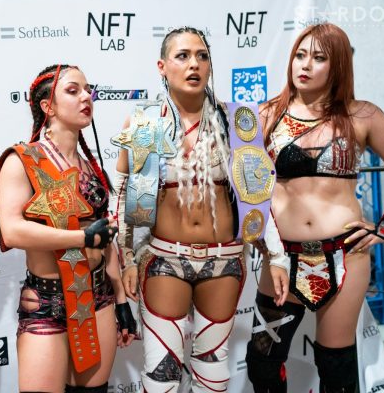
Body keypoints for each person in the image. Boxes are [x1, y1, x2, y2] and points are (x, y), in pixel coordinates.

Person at [245, 23, 384, 393]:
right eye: (300, 55)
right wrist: (256, 231)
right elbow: (246, 185)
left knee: (336, 367)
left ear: (337, 66)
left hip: (344, 257)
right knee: (263, 361)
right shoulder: (266, 114)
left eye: (319, 58)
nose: (305, 65)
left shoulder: (362, 115)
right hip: (281, 259)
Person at [115, 26, 278, 392]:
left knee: (213, 373)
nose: (194, 64)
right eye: (183, 56)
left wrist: (277, 257)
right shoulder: (144, 121)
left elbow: (260, 196)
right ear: (162, 66)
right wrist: (127, 259)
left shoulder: (237, 120)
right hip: (165, 258)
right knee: (161, 377)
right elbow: (124, 195)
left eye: (202, 56)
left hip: (225, 259)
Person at [0, 64, 136, 393]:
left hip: (97, 297)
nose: (86, 96)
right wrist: (82, 237)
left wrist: (120, 300)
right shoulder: (22, 160)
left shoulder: (91, 167)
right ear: (48, 106)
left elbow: (106, 239)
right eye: (73, 91)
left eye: (88, 90)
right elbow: (12, 231)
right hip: (47, 301)